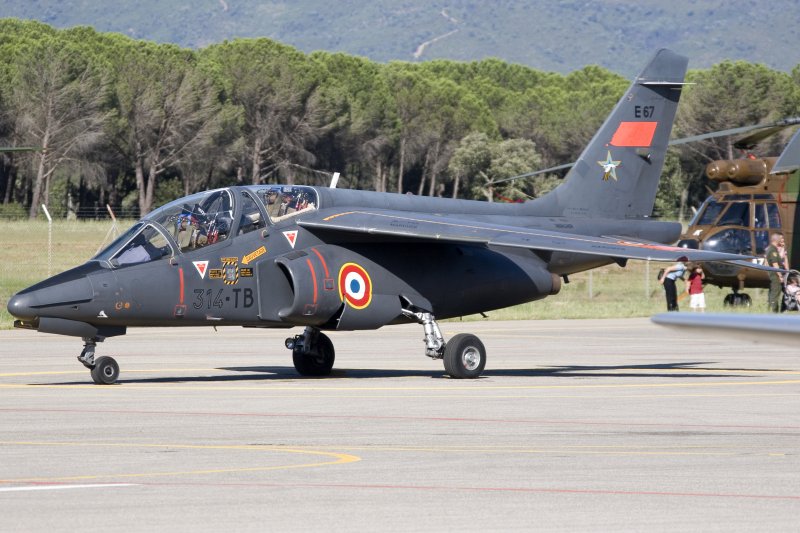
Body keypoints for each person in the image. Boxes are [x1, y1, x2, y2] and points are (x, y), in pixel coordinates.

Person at [766, 232, 784, 312]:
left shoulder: (770, 249)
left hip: (772, 274)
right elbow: (775, 264)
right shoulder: (773, 250)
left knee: (772, 293)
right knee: (775, 294)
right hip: (775, 275)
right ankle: (774, 312)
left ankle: (770, 310)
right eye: (780, 239)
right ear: (776, 240)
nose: (781, 240)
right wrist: (780, 275)